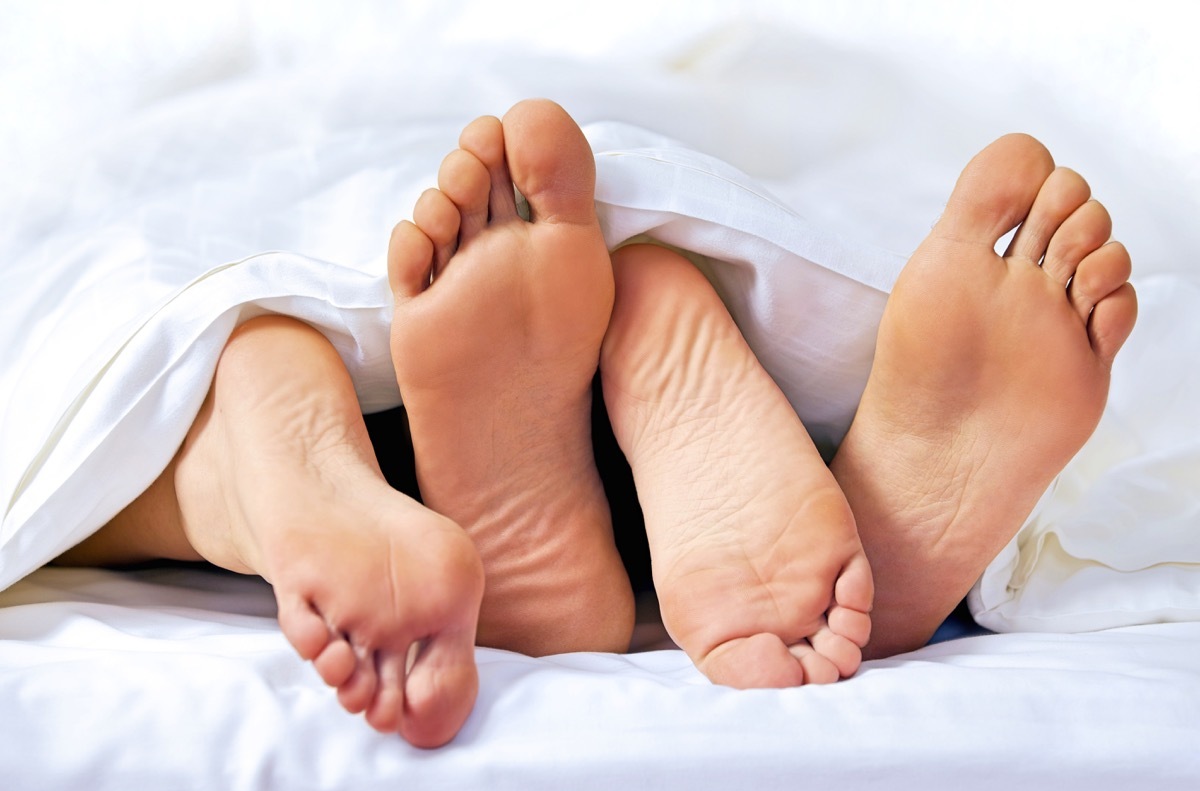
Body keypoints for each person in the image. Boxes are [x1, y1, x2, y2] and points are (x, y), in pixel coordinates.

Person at [54, 99, 1136, 748]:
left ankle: (260, 440)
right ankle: (868, 505)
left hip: (335, 366)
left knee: (82, 400)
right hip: (613, 415)